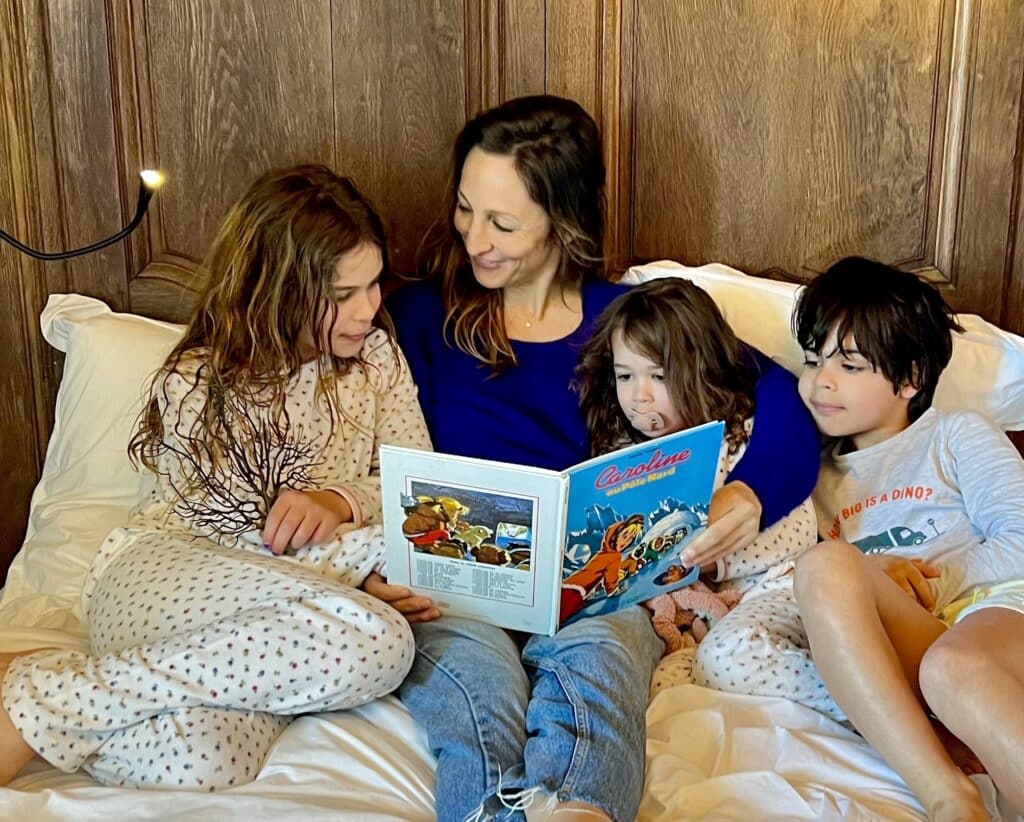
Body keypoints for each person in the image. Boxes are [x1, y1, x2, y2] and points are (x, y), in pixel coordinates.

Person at [388, 94, 820, 821]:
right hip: (462, 587)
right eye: (465, 209)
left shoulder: (629, 320)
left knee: (600, 670)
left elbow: (779, 396)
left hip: (595, 586)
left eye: (502, 223)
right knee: (476, 695)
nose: (474, 238)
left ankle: (580, 809)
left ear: (565, 221)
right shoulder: (423, 315)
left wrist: (748, 495)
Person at [0, 164, 435, 790]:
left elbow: (415, 486)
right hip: (164, 576)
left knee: (205, 761)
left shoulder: (376, 360)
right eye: (342, 294)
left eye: (373, 284)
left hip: (287, 610)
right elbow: (236, 533)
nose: (368, 309)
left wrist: (339, 500)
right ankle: (44, 703)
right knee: (380, 643)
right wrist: (358, 573)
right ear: (277, 291)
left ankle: (55, 686)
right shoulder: (199, 382)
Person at [791, 257, 1024, 822]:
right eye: (812, 360)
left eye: (849, 365)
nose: (821, 381)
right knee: (822, 567)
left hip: (991, 612)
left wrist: (934, 582)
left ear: (910, 378)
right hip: (911, 647)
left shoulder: (955, 434)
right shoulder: (807, 475)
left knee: (954, 668)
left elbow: (1020, 536)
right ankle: (950, 796)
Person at [575, 277, 822, 705]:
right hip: (701, 612)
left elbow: (800, 531)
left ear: (702, 369)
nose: (639, 397)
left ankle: (867, 701)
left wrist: (710, 559)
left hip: (774, 586)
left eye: (659, 376)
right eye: (625, 376)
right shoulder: (621, 453)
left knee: (726, 659)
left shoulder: (741, 433)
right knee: (665, 687)